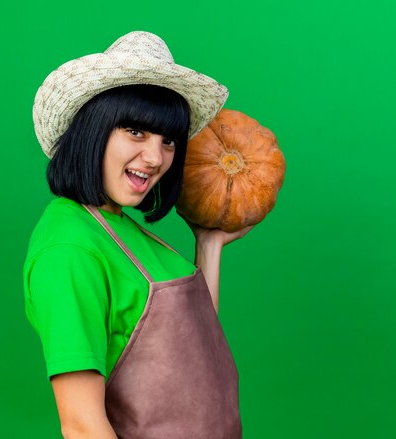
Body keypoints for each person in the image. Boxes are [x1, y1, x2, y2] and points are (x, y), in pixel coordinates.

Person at [23, 31, 252, 439]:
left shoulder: (128, 232)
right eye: (136, 132)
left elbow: (190, 355)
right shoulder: (70, 247)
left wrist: (209, 245)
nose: (155, 157)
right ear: (93, 128)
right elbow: (82, 425)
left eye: (168, 141)